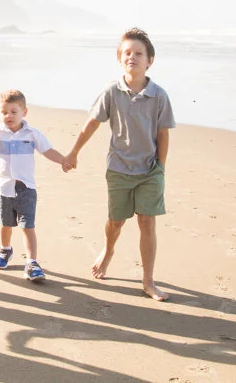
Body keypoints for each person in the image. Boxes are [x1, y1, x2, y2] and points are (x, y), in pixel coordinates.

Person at [65, 28, 175, 301]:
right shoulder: (111, 92)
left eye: (139, 54)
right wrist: (73, 152)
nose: (132, 57)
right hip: (118, 169)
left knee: (147, 222)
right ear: (119, 58)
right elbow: (92, 124)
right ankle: (108, 249)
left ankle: (148, 281)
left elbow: (163, 133)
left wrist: (160, 168)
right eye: (127, 53)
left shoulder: (159, 96)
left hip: (149, 171)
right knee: (115, 222)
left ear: (150, 60)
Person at [0, 89, 69, 282]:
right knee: (6, 224)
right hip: (4, 188)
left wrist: (63, 160)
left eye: (13, 111)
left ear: (24, 112)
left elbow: (48, 151)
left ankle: (32, 262)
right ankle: (5, 250)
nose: (8, 116)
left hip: (26, 188)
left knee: (28, 226)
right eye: (4, 112)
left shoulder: (32, 133)